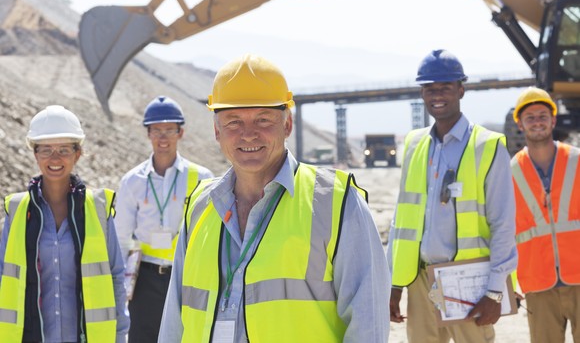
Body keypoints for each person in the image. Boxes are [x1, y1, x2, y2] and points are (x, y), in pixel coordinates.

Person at [158, 54, 390, 342]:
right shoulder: (200, 206)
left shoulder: (336, 202)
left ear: (287, 124)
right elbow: (174, 320)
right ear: (217, 130)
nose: (248, 134)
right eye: (233, 122)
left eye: (263, 119)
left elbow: (368, 323)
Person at [387, 49, 517, 343]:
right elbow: (401, 220)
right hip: (419, 282)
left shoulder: (487, 146)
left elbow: (503, 224)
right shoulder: (414, 143)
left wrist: (495, 291)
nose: (437, 95)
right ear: (422, 92)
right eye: (430, 88)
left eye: (445, 87)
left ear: (461, 89)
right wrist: (393, 284)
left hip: (469, 280)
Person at [0, 105, 129, 342]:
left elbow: (115, 278)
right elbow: (3, 278)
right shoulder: (17, 211)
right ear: (35, 154)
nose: (55, 158)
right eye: (46, 150)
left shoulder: (98, 210)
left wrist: (120, 336)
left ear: (77, 154)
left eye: (63, 149)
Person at [114, 95, 214, 343]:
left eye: (169, 130)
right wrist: (121, 285)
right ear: (148, 133)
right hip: (144, 279)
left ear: (180, 133)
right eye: (156, 130)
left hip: (185, 276)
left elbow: (210, 235)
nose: (163, 137)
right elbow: (121, 237)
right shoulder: (133, 181)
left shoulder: (202, 177)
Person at [511, 87, 580, 343]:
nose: (537, 121)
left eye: (542, 115)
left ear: (553, 120)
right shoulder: (510, 173)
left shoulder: (577, 160)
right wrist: (510, 282)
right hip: (537, 283)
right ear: (520, 123)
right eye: (530, 117)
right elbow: (504, 232)